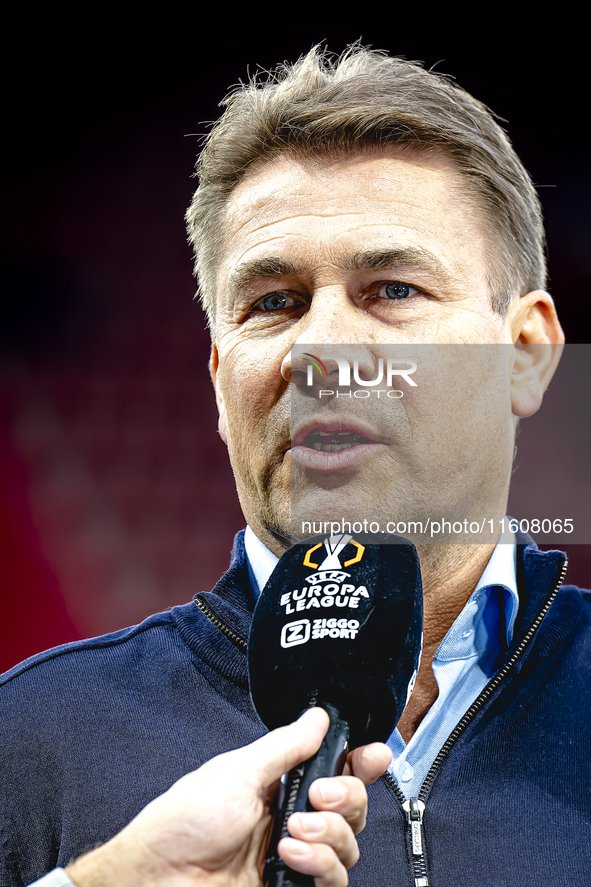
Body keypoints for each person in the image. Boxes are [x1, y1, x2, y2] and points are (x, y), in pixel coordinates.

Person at [1, 45, 589, 887]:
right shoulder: (27, 739)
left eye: (390, 289)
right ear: (217, 379)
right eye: (273, 303)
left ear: (525, 354)